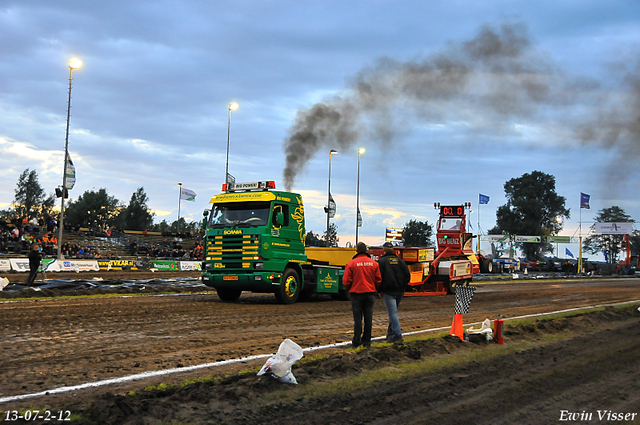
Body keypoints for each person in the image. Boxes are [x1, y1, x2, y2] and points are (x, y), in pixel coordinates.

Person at [343, 242, 381, 348]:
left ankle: (356, 340)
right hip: (369, 294)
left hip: (356, 294)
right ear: (366, 250)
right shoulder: (374, 264)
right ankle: (367, 340)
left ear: (357, 251)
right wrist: (376, 289)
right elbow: (378, 279)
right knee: (368, 318)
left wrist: (349, 289)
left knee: (358, 319)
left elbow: (346, 281)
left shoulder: (351, 264)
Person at [377, 242, 411, 343]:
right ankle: (390, 334)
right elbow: (407, 276)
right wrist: (403, 286)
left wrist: (379, 290)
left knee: (392, 313)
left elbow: (379, 277)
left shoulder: (381, 262)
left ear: (384, 250)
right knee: (393, 312)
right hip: (400, 290)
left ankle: (397, 335)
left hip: (388, 291)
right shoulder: (400, 261)